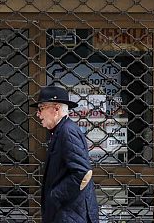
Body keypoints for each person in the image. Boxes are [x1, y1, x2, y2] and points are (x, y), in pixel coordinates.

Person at [32, 85, 99, 223]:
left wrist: (55, 196)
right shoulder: (61, 130)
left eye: (41, 108)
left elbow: (82, 172)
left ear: (56, 109)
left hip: (70, 216)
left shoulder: (67, 131)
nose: (38, 114)